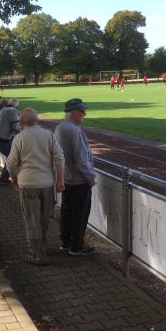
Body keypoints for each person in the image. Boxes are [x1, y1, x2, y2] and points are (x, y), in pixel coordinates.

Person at [7, 108, 65, 265]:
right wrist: (60, 180)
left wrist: (13, 177)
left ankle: (37, 254)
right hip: (47, 183)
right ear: (37, 120)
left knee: (32, 220)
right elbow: (59, 158)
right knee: (44, 218)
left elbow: (11, 163)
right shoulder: (48, 135)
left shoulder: (19, 138)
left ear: (21, 122)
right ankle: (42, 248)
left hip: (27, 184)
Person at [54, 98, 96, 256]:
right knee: (79, 214)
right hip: (79, 181)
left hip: (66, 178)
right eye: (81, 111)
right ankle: (77, 246)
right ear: (73, 113)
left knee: (66, 211)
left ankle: (65, 242)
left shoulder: (59, 128)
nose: (84, 114)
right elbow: (81, 159)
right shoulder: (74, 130)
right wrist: (90, 178)